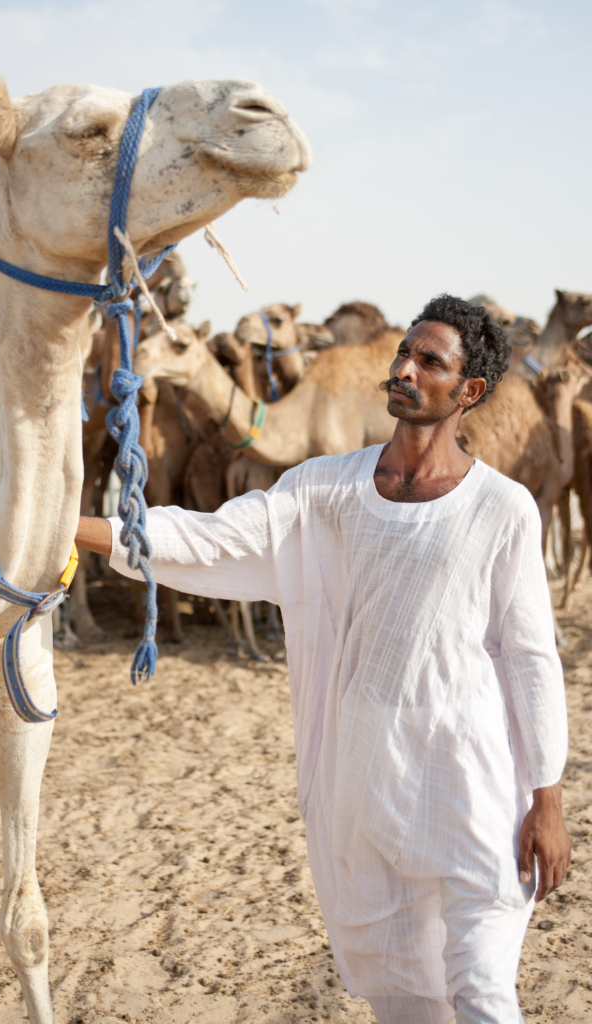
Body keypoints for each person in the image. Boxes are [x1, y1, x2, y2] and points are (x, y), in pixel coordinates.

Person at [75, 294, 571, 1024]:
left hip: (473, 795)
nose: (403, 368)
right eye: (405, 351)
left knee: (484, 994)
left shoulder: (501, 509)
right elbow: (210, 540)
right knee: (406, 999)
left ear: (468, 392)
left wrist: (548, 800)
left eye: (428, 362)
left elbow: (531, 657)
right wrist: (67, 528)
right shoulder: (326, 489)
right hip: (364, 793)